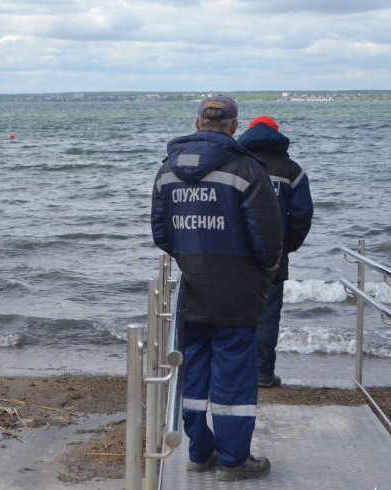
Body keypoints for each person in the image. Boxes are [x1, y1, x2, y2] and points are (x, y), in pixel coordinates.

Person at [151, 95, 282, 481]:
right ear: (233, 127)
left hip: (190, 287)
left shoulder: (166, 171)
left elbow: (161, 234)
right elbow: (268, 240)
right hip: (237, 290)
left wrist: (192, 258)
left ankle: (200, 452)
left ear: (196, 123)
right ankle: (233, 460)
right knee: (234, 375)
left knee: (194, 372)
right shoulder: (246, 168)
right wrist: (263, 273)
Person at [237, 116, 313, 388]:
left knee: (234, 311)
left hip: (237, 253)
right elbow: (302, 214)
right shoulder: (291, 169)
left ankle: (234, 369)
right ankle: (263, 372)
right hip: (275, 253)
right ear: (277, 137)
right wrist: (288, 245)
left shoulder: (236, 165)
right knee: (268, 313)